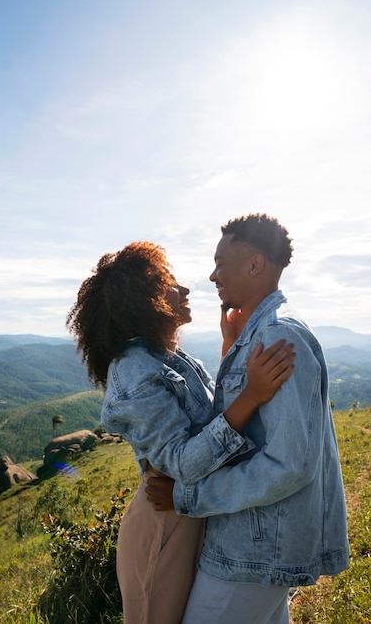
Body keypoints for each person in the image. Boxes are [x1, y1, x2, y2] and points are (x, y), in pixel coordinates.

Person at [66, 240, 295, 624]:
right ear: (143, 301)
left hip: (189, 510)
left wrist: (229, 345)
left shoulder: (170, 357)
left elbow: (206, 422)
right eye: (168, 284)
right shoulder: (134, 372)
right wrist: (252, 396)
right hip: (163, 523)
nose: (184, 290)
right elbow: (183, 463)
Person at [146, 214, 350, 624]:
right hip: (260, 540)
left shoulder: (278, 337)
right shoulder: (259, 335)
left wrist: (189, 498)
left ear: (255, 264)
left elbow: (290, 464)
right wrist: (230, 345)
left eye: (221, 262)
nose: (212, 275)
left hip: (254, 548)